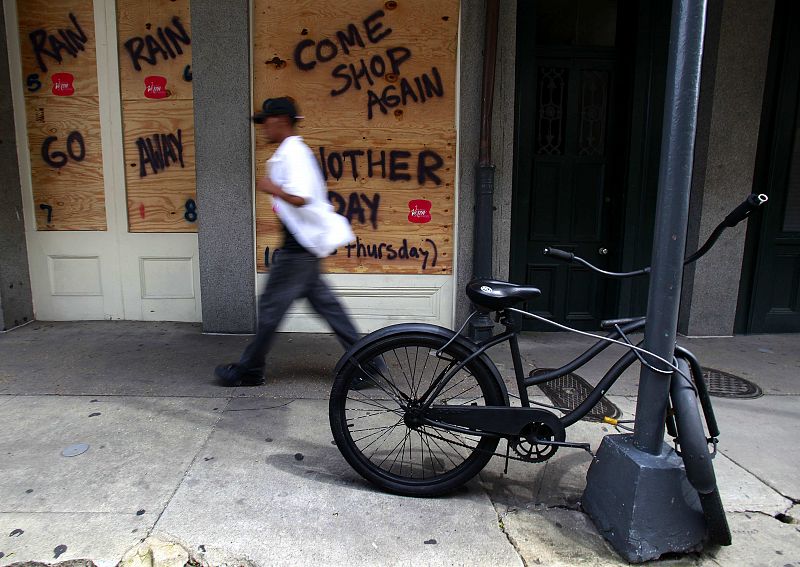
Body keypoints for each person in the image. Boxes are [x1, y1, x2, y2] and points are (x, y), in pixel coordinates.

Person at [215, 97, 365, 387]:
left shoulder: (294, 153)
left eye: (266, 121)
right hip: (303, 248)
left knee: (271, 309)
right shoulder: (293, 151)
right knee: (329, 308)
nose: (263, 128)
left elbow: (300, 197)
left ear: (281, 120)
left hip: (297, 251)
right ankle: (368, 362)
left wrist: (273, 187)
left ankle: (249, 370)